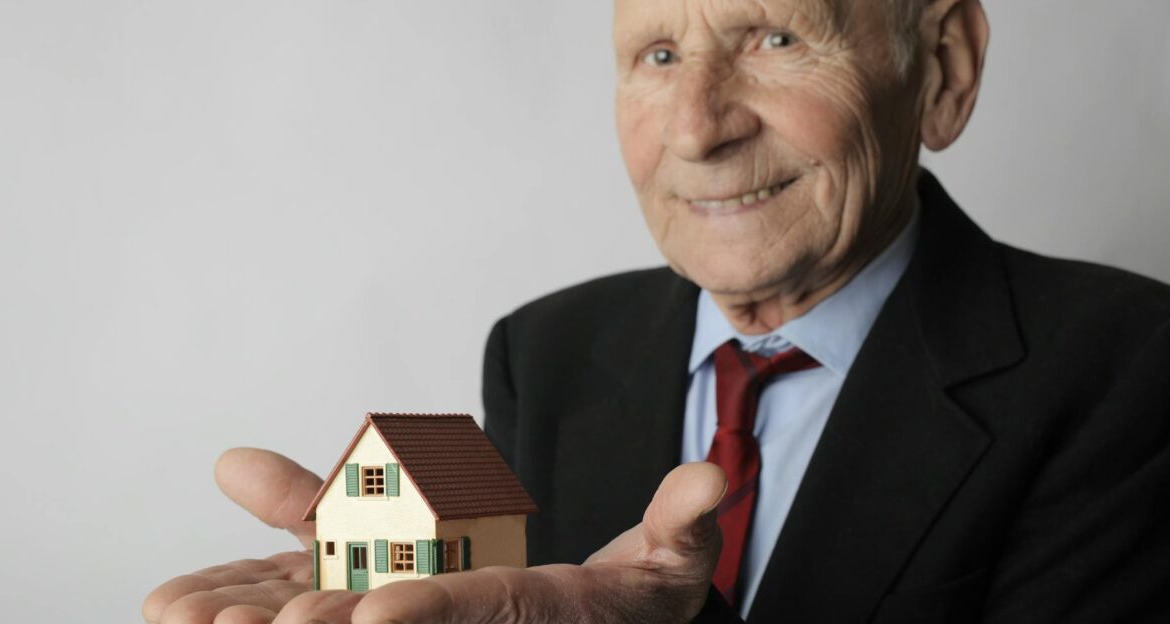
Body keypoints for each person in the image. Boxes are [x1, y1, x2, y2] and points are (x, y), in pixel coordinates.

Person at [143, 0, 1170, 622]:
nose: (694, 128)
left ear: (942, 68)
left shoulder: (1128, 369)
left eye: (772, 34)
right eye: (658, 55)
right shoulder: (542, 352)